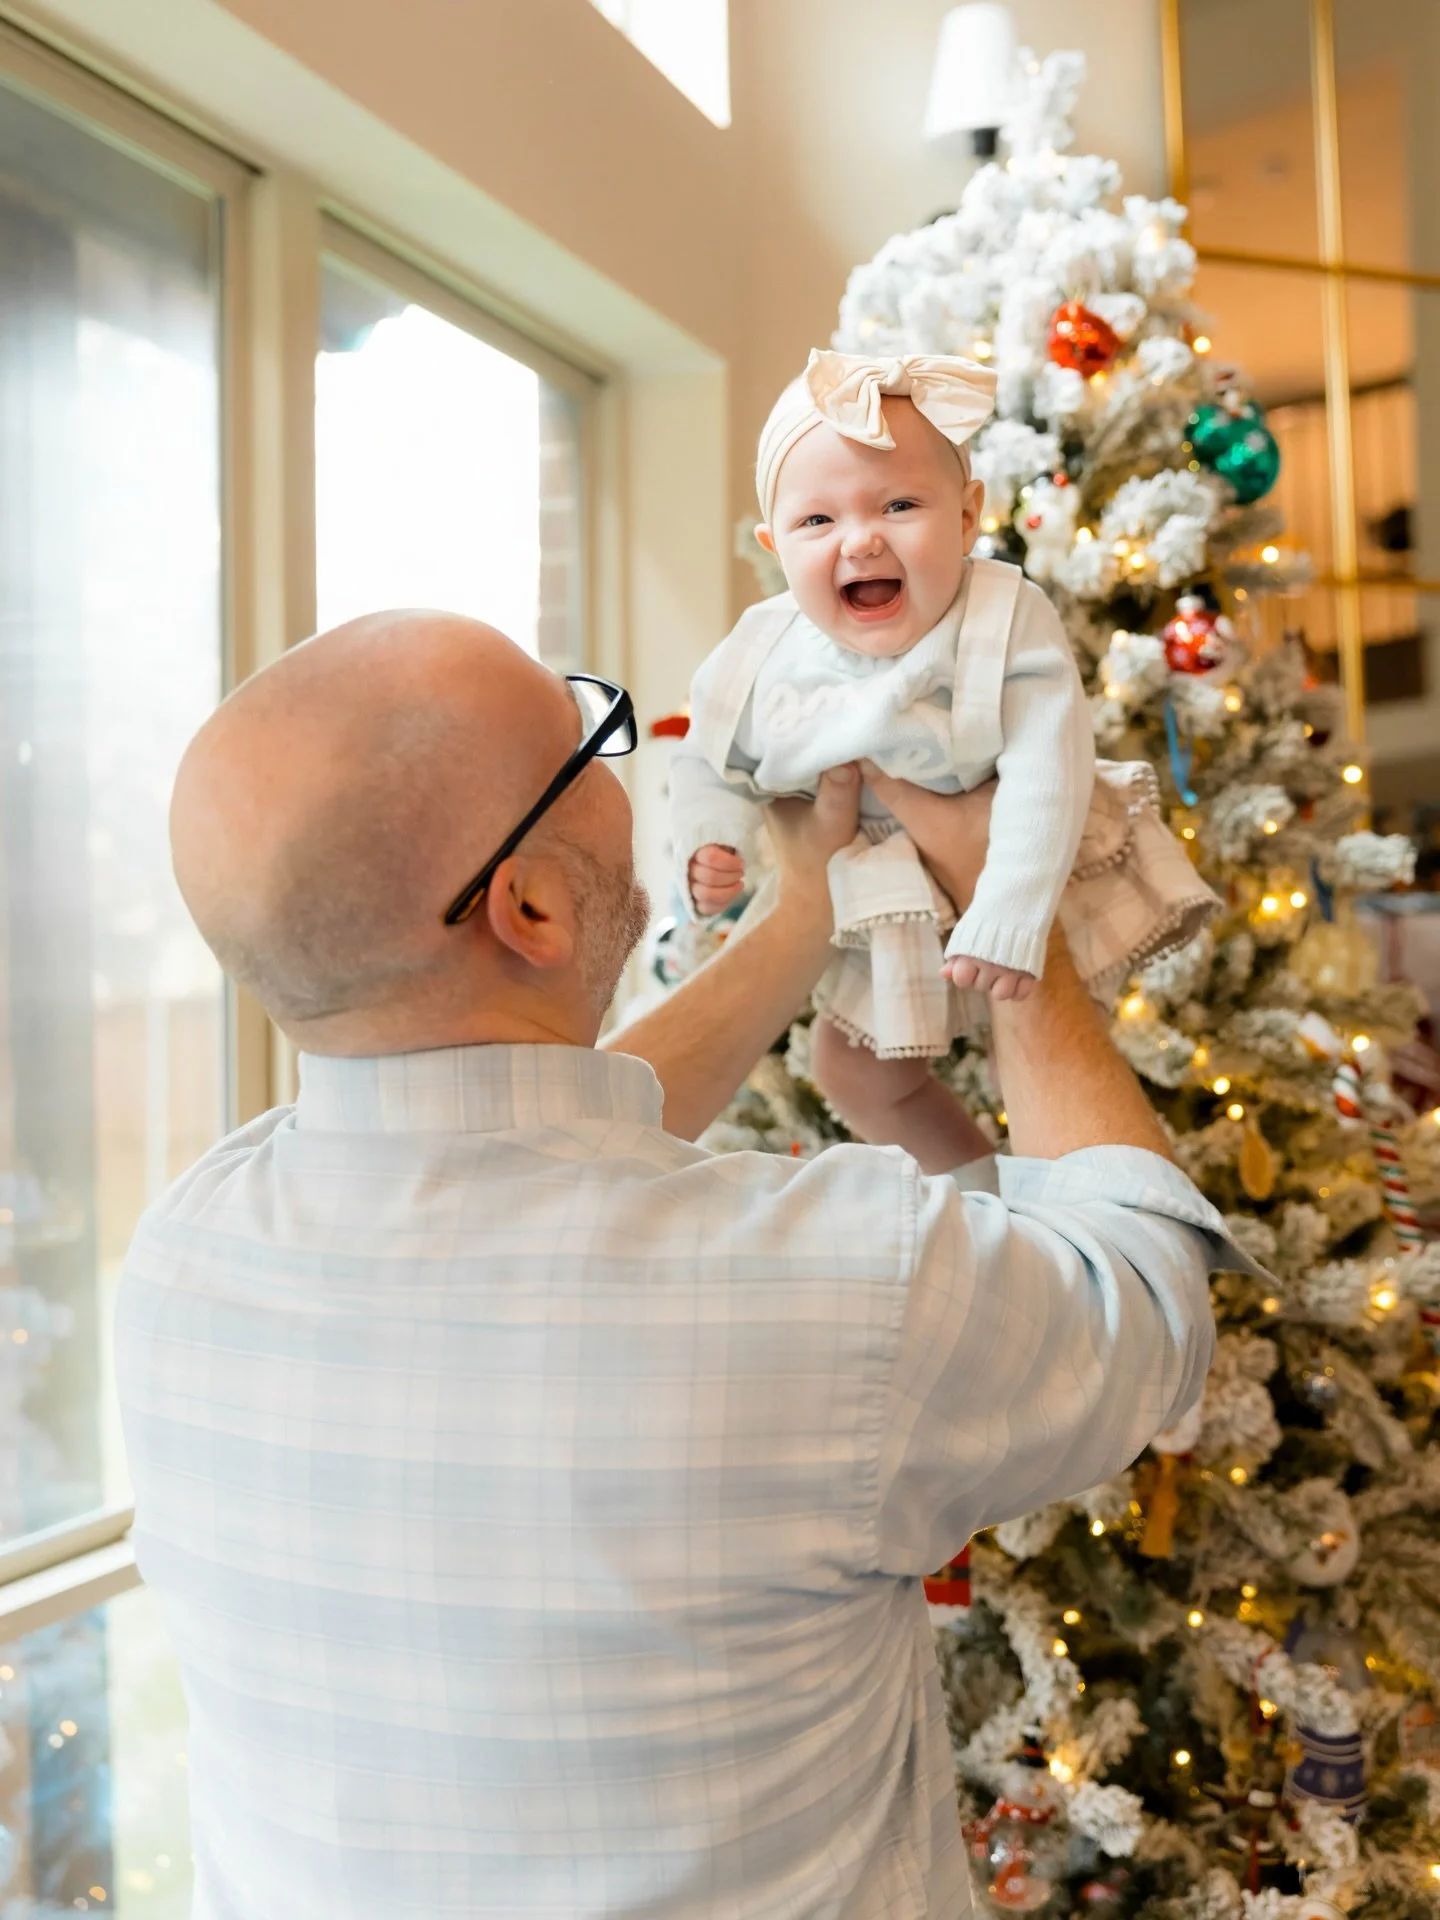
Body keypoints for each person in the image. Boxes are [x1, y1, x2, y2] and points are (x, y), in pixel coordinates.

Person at [117, 608, 1248, 1920]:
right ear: (527, 903)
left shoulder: (183, 1258)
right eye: (588, 738)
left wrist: (794, 918)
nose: (632, 775)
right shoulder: (829, 1292)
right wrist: (1017, 914)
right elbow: (1142, 1298)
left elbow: (540, 1131)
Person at [672, 350, 1216, 1170]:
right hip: (877, 892)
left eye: (898, 504)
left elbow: (1049, 762)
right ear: (774, 545)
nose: (860, 540)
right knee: (848, 1070)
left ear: (966, 519)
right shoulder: (762, 651)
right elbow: (708, 760)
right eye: (816, 522)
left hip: (1022, 862)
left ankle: (1069, 1208)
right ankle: (983, 1198)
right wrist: (708, 840)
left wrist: (1011, 903)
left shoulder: (999, 615)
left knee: (1035, 1047)